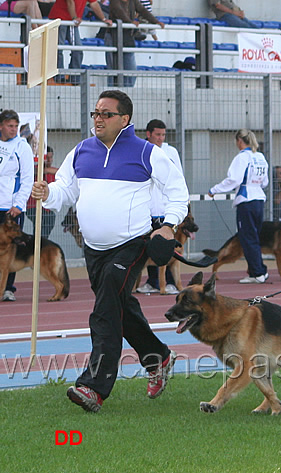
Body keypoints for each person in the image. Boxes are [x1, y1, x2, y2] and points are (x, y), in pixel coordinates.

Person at [31, 90, 189, 412]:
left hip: (131, 244)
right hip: (94, 248)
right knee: (119, 306)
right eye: (95, 113)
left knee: (104, 311)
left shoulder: (148, 153)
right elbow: (65, 191)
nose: (98, 119)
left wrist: (169, 225)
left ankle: (94, 387)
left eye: (106, 114)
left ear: (124, 119)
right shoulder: (81, 151)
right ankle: (158, 358)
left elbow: (178, 192)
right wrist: (48, 191)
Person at [208, 129, 269, 284]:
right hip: (259, 200)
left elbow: (234, 179)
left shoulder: (242, 158)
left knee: (247, 238)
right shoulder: (260, 157)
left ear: (239, 141)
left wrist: (214, 190)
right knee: (254, 237)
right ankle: (259, 269)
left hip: (246, 200)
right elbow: (265, 182)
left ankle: (257, 272)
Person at [137, 119, 183, 295]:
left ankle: (169, 282)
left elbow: (179, 177)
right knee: (149, 248)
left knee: (167, 246)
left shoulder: (171, 152)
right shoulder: (141, 151)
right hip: (147, 209)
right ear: (148, 134)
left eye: (163, 135)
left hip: (166, 210)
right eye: (157, 134)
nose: (161, 138)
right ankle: (152, 281)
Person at [0, 109, 34, 302]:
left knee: (10, 247)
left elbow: (28, 178)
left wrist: (19, 204)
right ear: (1, 126)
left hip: (10, 207)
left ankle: (8, 287)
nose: (13, 130)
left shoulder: (22, 146)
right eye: (9, 126)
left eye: (15, 126)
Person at [49, 0, 111, 84]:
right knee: (59, 48)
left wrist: (104, 19)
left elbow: (94, 3)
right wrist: (74, 17)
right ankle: (60, 76)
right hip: (61, 18)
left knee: (76, 49)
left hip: (71, 20)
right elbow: (70, 2)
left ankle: (73, 77)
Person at [105, 0, 164, 88]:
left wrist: (155, 21)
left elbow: (143, 10)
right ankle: (113, 91)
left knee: (130, 68)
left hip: (128, 36)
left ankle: (127, 91)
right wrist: (129, 21)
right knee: (113, 68)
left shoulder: (133, 1)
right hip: (113, 35)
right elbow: (118, 11)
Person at [26, 145, 57, 238]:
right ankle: (39, 242)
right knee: (43, 220)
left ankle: (41, 242)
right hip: (33, 206)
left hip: (45, 206)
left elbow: (59, 172)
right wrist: (42, 169)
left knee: (48, 219)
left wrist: (46, 170)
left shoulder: (51, 171)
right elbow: (34, 171)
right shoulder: (36, 170)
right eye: (47, 157)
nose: (49, 160)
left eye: (51, 157)